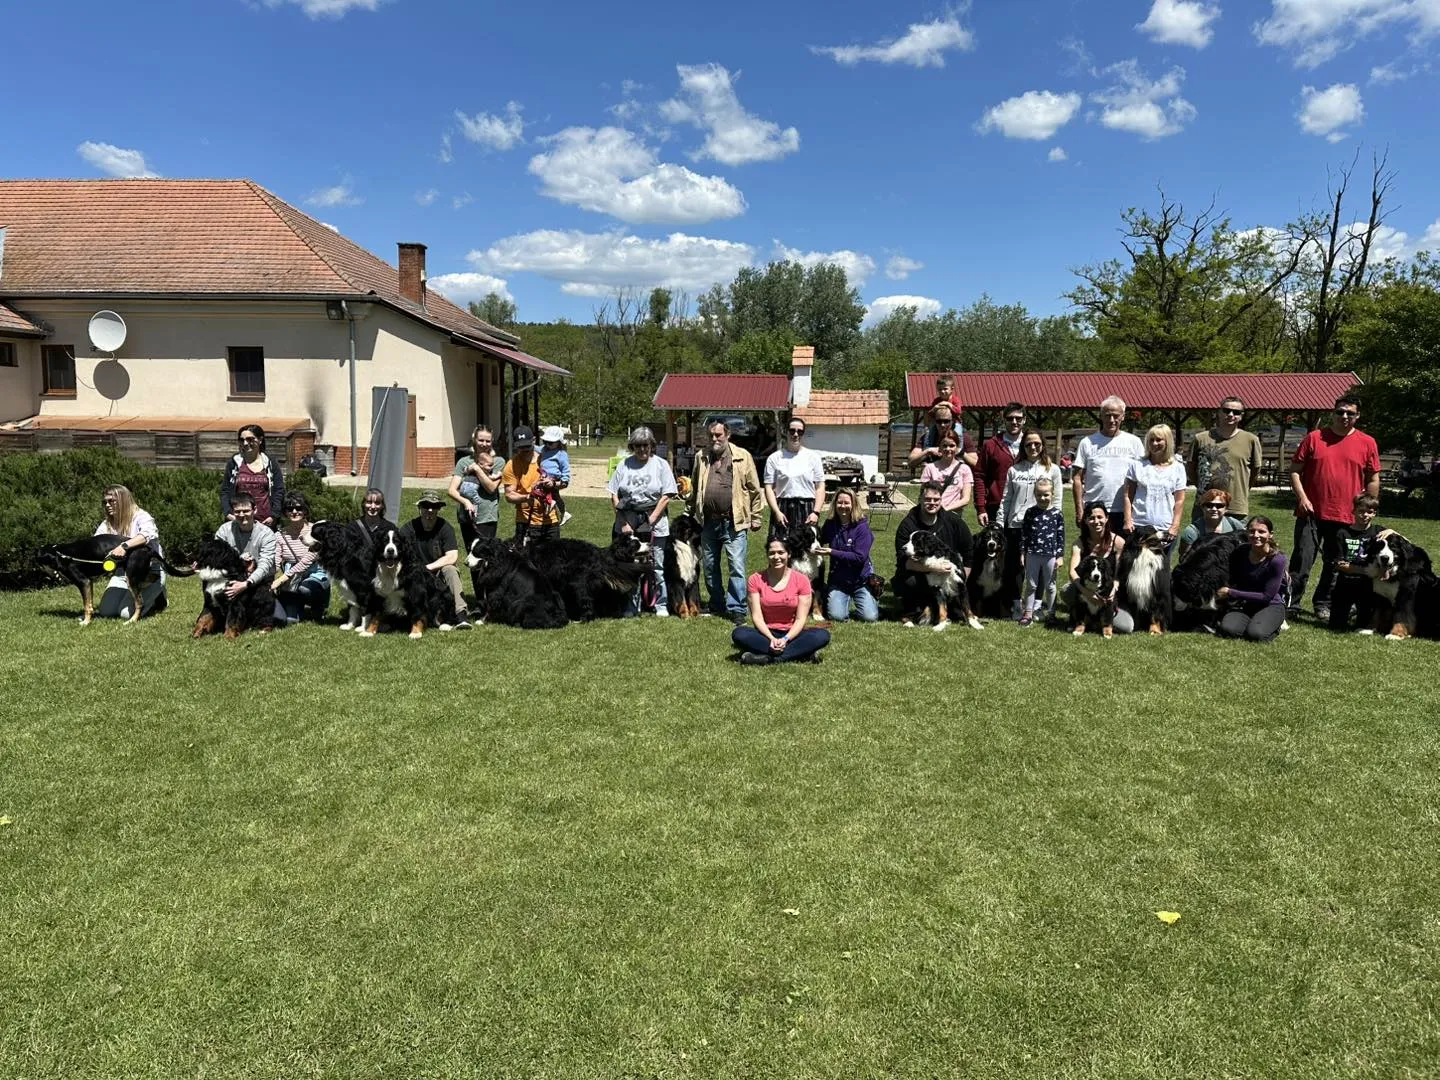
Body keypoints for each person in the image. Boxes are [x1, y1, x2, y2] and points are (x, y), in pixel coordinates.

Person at [1288, 394, 1380, 622]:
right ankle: (1291, 604)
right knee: (1302, 561)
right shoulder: (1314, 438)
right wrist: (1302, 498)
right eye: (1340, 412)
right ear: (1333, 413)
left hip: (1345, 515)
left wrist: (1368, 507)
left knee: (1335, 564)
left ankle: (1323, 604)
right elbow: (1295, 471)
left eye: (1350, 413)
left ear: (1358, 416)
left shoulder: (1367, 442)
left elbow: (1373, 478)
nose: (1344, 416)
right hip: (1311, 513)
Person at [690, 418, 764, 624]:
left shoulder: (742, 456)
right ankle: (716, 604)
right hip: (708, 522)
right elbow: (695, 488)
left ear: (728, 435)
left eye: (718, 435)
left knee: (737, 567)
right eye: (711, 435)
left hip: (734, 522)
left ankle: (737, 609)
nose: (714, 439)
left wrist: (756, 516)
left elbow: (755, 489)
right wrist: (690, 513)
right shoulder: (701, 457)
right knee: (710, 567)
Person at [607, 426, 679, 616]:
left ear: (651, 445)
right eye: (638, 445)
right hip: (628, 518)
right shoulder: (624, 465)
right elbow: (614, 494)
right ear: (632, 446)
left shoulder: (661, 465)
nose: (642, 449)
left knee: (657, 564)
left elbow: (667, 495)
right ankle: (632, 605)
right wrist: (624, 522)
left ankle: (660, 604)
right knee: (630, 565)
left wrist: (652, 518)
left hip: (654, 518)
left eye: (645, 445)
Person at [731, 536, 831, 665]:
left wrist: (785, 639)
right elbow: (757, 617)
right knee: (739, 633)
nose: (776, 557)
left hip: (793, 634)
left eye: (781, 552)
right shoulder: (755, 580)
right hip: (765, 633)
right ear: (767, 555)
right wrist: (772, 638)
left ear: (789, 554)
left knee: (822, 635)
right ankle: (801, 654)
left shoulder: (802, 580)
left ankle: (769, 659)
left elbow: (800, 619)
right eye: (772, 553)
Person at [999, 430, 1064, 615]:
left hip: (1041, 526)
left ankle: (1036, 606)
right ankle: (1016, 604)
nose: (1033, 447)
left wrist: (1053, 522)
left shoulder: (1053, 469)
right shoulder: (1014, 470)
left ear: (1043, 445)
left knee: (1041, 567)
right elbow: (1007, 498)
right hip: (1016, 524)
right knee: (1016, 567)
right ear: (1023, 446)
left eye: (1037, 443)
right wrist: (1000, 521)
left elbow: (1057, 499)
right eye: (1028, 444)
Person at [893, 481, 974, 620]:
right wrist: (934, 568)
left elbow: (969, 552)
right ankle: (912, 612)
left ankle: (955, 609)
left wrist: (961, 579)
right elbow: (903, 561)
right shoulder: (908, 525)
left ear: (941, 500)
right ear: (920, 499)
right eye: (928, 499)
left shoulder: (954, 521)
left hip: (950, 574)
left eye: (936, 499)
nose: (932, 503)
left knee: (958, 610)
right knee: (911, 581)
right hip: (920, 575)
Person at [400, 490, 473, 629]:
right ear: (419, 508)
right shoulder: (408, 529)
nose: (429, 510)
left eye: (434, 506)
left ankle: (461, 615)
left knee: (451, 569)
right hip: (414, 574)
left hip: (437, 574)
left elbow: (452, 556)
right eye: (425, 506)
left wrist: (428, 568)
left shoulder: (445, 528)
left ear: (439, 508)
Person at [1071, 397, 1144, 534]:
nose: (1111, 420)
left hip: (1125, 511)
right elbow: (1077, 478)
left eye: (1116, 416)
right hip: (1095, 510)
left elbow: (1142, 476)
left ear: (1123, 416)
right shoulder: (1087, 442)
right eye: (1107, 415)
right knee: (1093, 547)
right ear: (1101, 416)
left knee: (1122, 547)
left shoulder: (1134, 442)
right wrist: (1079, 510)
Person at [93, 484, 167, 619]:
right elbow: (95, 543)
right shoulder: (107, 524)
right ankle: (146, 595)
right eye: (105, 502)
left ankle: (159, 599)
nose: (107, 505)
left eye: (111, 501)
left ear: (123, 500)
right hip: (122, 573)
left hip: (149, 571)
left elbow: (146, 535)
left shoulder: (141, 516)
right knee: (106, 612)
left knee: (126, 614)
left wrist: (124, 546)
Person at [448, 425, 507, 595]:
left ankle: (491, 598)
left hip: (487, 518)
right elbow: (452, 490)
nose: (484, 444)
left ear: (492, 441)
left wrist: (476, 469)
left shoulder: (498, 462)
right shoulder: (463, 462)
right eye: (481, 440)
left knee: (488, 560)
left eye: (488, 441)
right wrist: (465, 501)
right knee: (472, 559)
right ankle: (480, 600)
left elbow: (491, 487)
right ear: (474, 440)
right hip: (467, 518)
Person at [1186, 396, 1263, 522]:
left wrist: (1242, 489)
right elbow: (1190, 468)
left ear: (1241, 416)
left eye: (1236, 412)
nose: (1231, 415)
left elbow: (1255, 471)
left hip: (1236, 508)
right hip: (1205, 506)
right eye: (1227, 410)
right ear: (1219, 412)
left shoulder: (1251, 440)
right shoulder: (1200, 439)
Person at [1063, 500, 1134, 634]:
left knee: (1127, 627)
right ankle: (1082, 618)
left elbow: (1120, 573)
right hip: (1086, 588)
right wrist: (1087, 593)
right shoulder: (1079, 543)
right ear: (1085, 521)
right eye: (1091, 518)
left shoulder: (1118, 542)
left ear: (1106, 518)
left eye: (1100, 517)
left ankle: (1098, 620)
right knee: (1067, 590)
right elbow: (1073, 572)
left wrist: (1113, 590)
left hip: (1110, 593)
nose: (1096, 521)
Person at [1217, 516, 1289, 642]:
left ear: (1270, 535)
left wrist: (1230, 592)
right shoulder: (1241, 551)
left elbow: (1266, 596)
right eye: (1252, 531)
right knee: (1228, 629)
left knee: (1256, 635)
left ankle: (1275, 624)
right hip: (1246, 604)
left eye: (1261, 531)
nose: (1256, 535)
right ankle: (1255, 623)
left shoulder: (1277, 560)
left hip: (1271, 605)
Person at [1124, 424, 1188, 561]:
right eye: (1151, 440)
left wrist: (1175, 526)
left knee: (1162, 567)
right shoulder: (1137, 465)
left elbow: (1180, 500)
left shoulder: (1178, 468)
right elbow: (1128, 496)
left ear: (1167, 441)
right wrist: (1128, 520)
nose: (1154, 443)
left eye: (1159, 440)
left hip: (1165, 528)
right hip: (1140, 526)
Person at [819, 488, 878, 622]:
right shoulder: (830, 524)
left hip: (860, 580)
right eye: (839, 502)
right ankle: (836, 597)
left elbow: (859, 558)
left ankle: (870, 597)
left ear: (854, 504)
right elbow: (819, 540)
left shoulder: (862, 527)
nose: (843, 506)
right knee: (836, 616)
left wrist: (832, 552)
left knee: (869, 617)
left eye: (846, 503)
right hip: (838, 581)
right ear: (835, 504)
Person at [272, 491, 331, 624]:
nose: (294, 511)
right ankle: (298, 607)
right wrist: (270, 578)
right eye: (289, 509)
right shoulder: (280, 535)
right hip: (292, 579)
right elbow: (276, 561)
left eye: (299, 508)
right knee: (291, 620)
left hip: (313, 573)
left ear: (305, 510)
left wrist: (281, 580)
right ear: (285, 512)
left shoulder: (317, 530)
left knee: (305, 589)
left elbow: (307, 561)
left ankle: (318, 605)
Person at [764, 417, 827, 539]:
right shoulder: (774, 458)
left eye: (800, 431)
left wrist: (816, 512)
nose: (796, 434)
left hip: (807, 509)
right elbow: (768, 488)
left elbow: (820, 487)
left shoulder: (813, 457)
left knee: (807, 547)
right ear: (786, 431)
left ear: (803, 434)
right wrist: (776, 512)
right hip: (783, 509)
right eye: (792, 431)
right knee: (780, 546)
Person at [1329, 493, 1382, 632]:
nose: (1365, 515)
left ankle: (1361, 614)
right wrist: (1366, 570)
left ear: (1374, 513)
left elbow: (1403, 541)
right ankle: (1347, 612)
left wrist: (1390, 531)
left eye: (1369, 512)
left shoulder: (1378, 532)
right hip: (1345, 582)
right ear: (1353, 511)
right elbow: (1340, 564)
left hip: (1368, 585)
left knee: (1363, 626)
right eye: (1361, 511)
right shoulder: (1342, 533)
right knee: (1336, 626)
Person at [502, 426, 563, 543]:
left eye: (527, 446)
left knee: (553, 554)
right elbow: (509, 495)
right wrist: (526, 497)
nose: (524, 449)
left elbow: (564, 482)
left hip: (551, 520)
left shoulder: (547, 459)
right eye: (521, 447)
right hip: (526, 522)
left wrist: (553, 483)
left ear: (534, 440)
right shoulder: (511, 465)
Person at [214, 492, 277, 605]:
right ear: (233, 512)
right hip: (232, 581)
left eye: (246, 511)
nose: (242, 515)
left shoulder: (267, 534)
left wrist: (246, 583)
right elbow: (217, 557)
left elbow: (265, 565)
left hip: (259, 582)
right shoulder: (224, 531)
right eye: (237, 511)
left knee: (277, 615)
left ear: (255, 510)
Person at [1018, 478, 1065, 627]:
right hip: (1032, 554)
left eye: (1046, 495)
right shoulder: (1030, 512)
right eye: (1039, 495)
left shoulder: (1057, 514)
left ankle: (1051, 614)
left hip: (1050, 556)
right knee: (1031, 585)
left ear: (1052, 494)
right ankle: (1028, 613)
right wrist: (1023, 552)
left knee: (1050, 586)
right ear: (1035, 494)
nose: (1042, 498)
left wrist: (1060, 556)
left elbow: (1061, 536)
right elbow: (1024, 534)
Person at [220, 424, 285, 528]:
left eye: (250, 439)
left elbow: (279, 490)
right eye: (242, 440)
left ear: (260, 440)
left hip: (265, 522)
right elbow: (225, 490)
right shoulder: (234, 463)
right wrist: (228, 513)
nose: (245, 443)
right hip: (239, 522)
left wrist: (274, 515)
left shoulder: (270, 463)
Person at [974, 403, 1026, 529]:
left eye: (1018, 418)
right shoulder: (991, 445)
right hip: (995, 507)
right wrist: (981, 508)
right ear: (1004, 420)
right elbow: (980, 476)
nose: (1014, 422)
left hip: (1025, 507)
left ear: (1024, 420)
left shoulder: (1031, 444)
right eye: (1010, 418)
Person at [1176, 489, 1245, 562]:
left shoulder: (1235, 525)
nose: (1214, 509)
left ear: (1226, 508)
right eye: (1209, 505)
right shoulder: (1191, 532)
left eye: (1219, 506)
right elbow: (1184, 560)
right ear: (1202, 507)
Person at [908, 402, 979, 469]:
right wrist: (928, 452)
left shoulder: (964, 438)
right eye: (939, 421)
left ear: (952, 421)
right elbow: (911, 462)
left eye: (946, 421)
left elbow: (976, 463)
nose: (942, 425)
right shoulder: (927, 438)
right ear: (934, 421)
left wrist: (961, 453)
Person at [919, 432, 973, 514]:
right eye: (944, 446)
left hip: (953, 515)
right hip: (933, 515)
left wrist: (944, 510)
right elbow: (923, 495)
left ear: (957, 447)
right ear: (939, 447)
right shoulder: (930, 468)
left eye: (952, 446)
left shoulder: (965, 469)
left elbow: (965, 499)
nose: (948, 449)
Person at [537, 425, 572, 527]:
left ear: (558, 442)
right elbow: (536, 449)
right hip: (543, 476)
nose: (547, 445)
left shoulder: (561, 454)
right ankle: (561, 511)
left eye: (550, 443)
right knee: (552, 495)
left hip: (554, 478)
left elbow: (565, 469)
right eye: (545, 442)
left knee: (551, 493)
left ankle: (553, 505)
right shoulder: (544, 449)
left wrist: (564, 479)